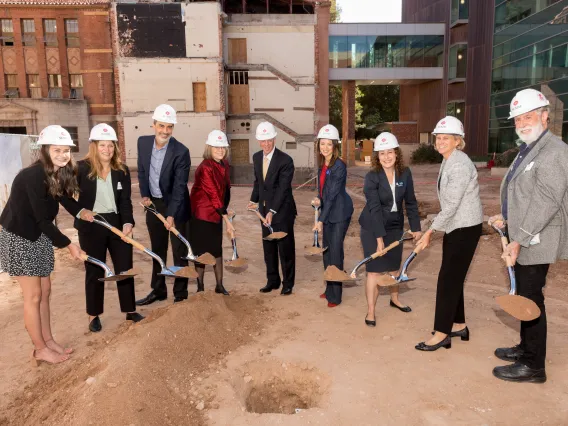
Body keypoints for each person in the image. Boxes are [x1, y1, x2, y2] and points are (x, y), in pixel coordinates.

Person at [489, 89, 568, 383]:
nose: (522, 123)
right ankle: (526, 349)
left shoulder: (555, 151)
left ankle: (534, 366)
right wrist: (506, 218)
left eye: (528, 116)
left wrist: (518, 239)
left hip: (536, 238)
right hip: (523, 233)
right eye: (518, 118)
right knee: (524, 294)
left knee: (531, 298)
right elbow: (522, 192)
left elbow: (546, 200)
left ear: (544, 116)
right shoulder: (530, 146)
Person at [0, 125, 87, 365]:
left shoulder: (56, 173)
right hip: (19, 237)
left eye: (66, 150)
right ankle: (39, 349)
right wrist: (70, 244)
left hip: (39, 234)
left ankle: (48, 340)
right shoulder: (33, 176)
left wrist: (82, 212)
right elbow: (40, 218)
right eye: (56, 150)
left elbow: (64, 198)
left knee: (45, 291)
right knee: (34, 295)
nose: (62, 154)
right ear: (45, 150)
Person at [60, 124, 144, 333]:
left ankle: (130, 309)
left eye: (111, 146)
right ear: (94, 146)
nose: (107, 150)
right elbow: (62, 193)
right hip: (91, 224)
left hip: (116, 223)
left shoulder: (121, 171)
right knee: (95, 269)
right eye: (103, 145)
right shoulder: (80, 168)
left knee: (124, 267)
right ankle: (93, 315)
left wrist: (127, 223)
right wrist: (80, 211)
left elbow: (125, 201)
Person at [415, 116, 483, 351]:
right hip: (457, 225)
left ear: (457, 141)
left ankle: (442, 333)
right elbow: (450, 206)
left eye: (446, 138)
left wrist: (430, 231)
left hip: (464, 227)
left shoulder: (460, 164)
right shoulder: (449, 160)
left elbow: (452, 205)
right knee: (453, 278)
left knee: (447, 280)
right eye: (438, 138)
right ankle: (459, 325)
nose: (441, 142)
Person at [358, 132, 422, 326]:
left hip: (395, 224)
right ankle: (371, 311)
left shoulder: (405, 173)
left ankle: (394, 300)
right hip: (372, 226)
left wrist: (416, 227)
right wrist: (379, 239)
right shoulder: (372, 177)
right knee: (374, 271)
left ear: (396, 153)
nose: (386, 157)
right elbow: (375, 208)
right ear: (377, 156)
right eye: (382, 153)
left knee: (395, 266)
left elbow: (410, 202)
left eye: (390, 152)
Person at [136, 104, 192, 305]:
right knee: (157, 249)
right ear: (153, 125)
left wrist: (171, 215)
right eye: (161, 126)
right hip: (154, 205)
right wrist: (145, 195)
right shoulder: (142, 143)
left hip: (176, 206)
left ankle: (180, 294)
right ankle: (158, 290)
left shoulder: (181, 152)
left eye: (169, 127)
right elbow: (142, 171)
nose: (165, 131)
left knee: (179, 252)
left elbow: (179, 187)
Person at [247, 122, 297, 295]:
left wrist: (272, 211)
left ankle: (288, 283)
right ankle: (272, 281)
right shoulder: (256, 157)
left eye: (269, 140)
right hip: (264, 210)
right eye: (263, 141)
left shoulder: (285, 160)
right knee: (269, 248)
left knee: (285, 248)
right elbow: (258, 182)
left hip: (282, 211)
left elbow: (283, 189)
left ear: (274, 138)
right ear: (259, 141)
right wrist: (254, 201)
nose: (266, 144)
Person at [313, 124, 353, 307]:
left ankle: (335, 296)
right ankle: (329, 288)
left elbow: (333, 195)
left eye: (329, 144)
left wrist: (320, 220)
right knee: (327, 252)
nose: (325, 147)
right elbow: (323, 190)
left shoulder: (339, 166)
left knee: (335, 253)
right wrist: (317, 198)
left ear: (335, 146)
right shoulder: (323, 162)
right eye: (323, 144)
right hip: (328, 210)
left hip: (339, 213)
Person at [189, 130, 233, 296]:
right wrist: (226, 218)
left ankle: (219, 285)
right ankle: (200, 287)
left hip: (216, 213)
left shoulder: (224, 164)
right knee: (202, 252)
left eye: (222, 147)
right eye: (216, 147)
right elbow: (213, 193)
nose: (220, 150)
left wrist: (225, 209)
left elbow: (226, 189)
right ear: (209, 147)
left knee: (217, 249)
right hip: (202, 215)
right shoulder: (205, 167)